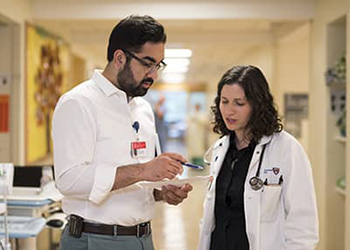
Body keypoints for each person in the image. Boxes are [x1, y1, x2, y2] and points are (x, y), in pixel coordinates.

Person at [52, 15, 193, 250]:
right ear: (119, 58)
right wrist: (144, 170)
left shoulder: (142, 109)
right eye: (147, 63)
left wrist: (162, 190)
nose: (154, 74)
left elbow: (140, 179)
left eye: (158, 65)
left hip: (142, 238)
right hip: (95, 238)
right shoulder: (79, 102)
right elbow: (68, 180)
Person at [198, 65, 318, 250]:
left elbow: (303, 222)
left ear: (257, 104)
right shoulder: (221, 148)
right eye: (224, 101)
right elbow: (213, 215)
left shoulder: (286, 148)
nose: (229, 111)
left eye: (239, 103)